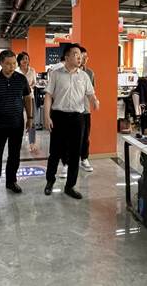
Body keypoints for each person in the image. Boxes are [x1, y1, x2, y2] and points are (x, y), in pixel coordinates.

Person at [44, 43, 99, 199]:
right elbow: (48, 96)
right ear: (66, 57)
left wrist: (95, 101)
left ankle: (70, 186)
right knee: (55, 151)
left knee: (75, 153)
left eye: (80, 55)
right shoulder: (56, 74)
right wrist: (47, 116)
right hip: (59, 116)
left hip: (77, 118)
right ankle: (50, 181)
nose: (79, 57)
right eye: (75, 54)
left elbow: (90, 94)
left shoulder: (84, 76)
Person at [0, 50, 32, 201]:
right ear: (1, 63)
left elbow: (27, 98)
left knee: (14, 155)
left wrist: (30, 118)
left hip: (17, 123)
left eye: (14, 63)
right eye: (8, 64)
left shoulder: (21, 79)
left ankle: (11, 182)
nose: (12, 67)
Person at [16, 52, 38, 151]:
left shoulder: (32, 70)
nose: (25, 60)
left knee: (31, 119)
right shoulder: (16, 71)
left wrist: (28, 88)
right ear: (19, 61)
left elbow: (34, 83)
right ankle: (18, 141)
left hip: (30, 97)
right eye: (23, 59)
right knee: (18, 120)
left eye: (27, 58)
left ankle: (32, 142)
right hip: (18, 98)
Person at [79, 46, 95, 172]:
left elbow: (92, 91)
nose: (84, 60)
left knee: (85, 136)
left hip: (85, 109)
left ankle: (84, 158)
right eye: (81, 57)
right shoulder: (69, 72)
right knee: (72, 137)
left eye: (86, 58)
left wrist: (94, 101)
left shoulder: (90, 73)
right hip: (72, 111)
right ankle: (67, 162)